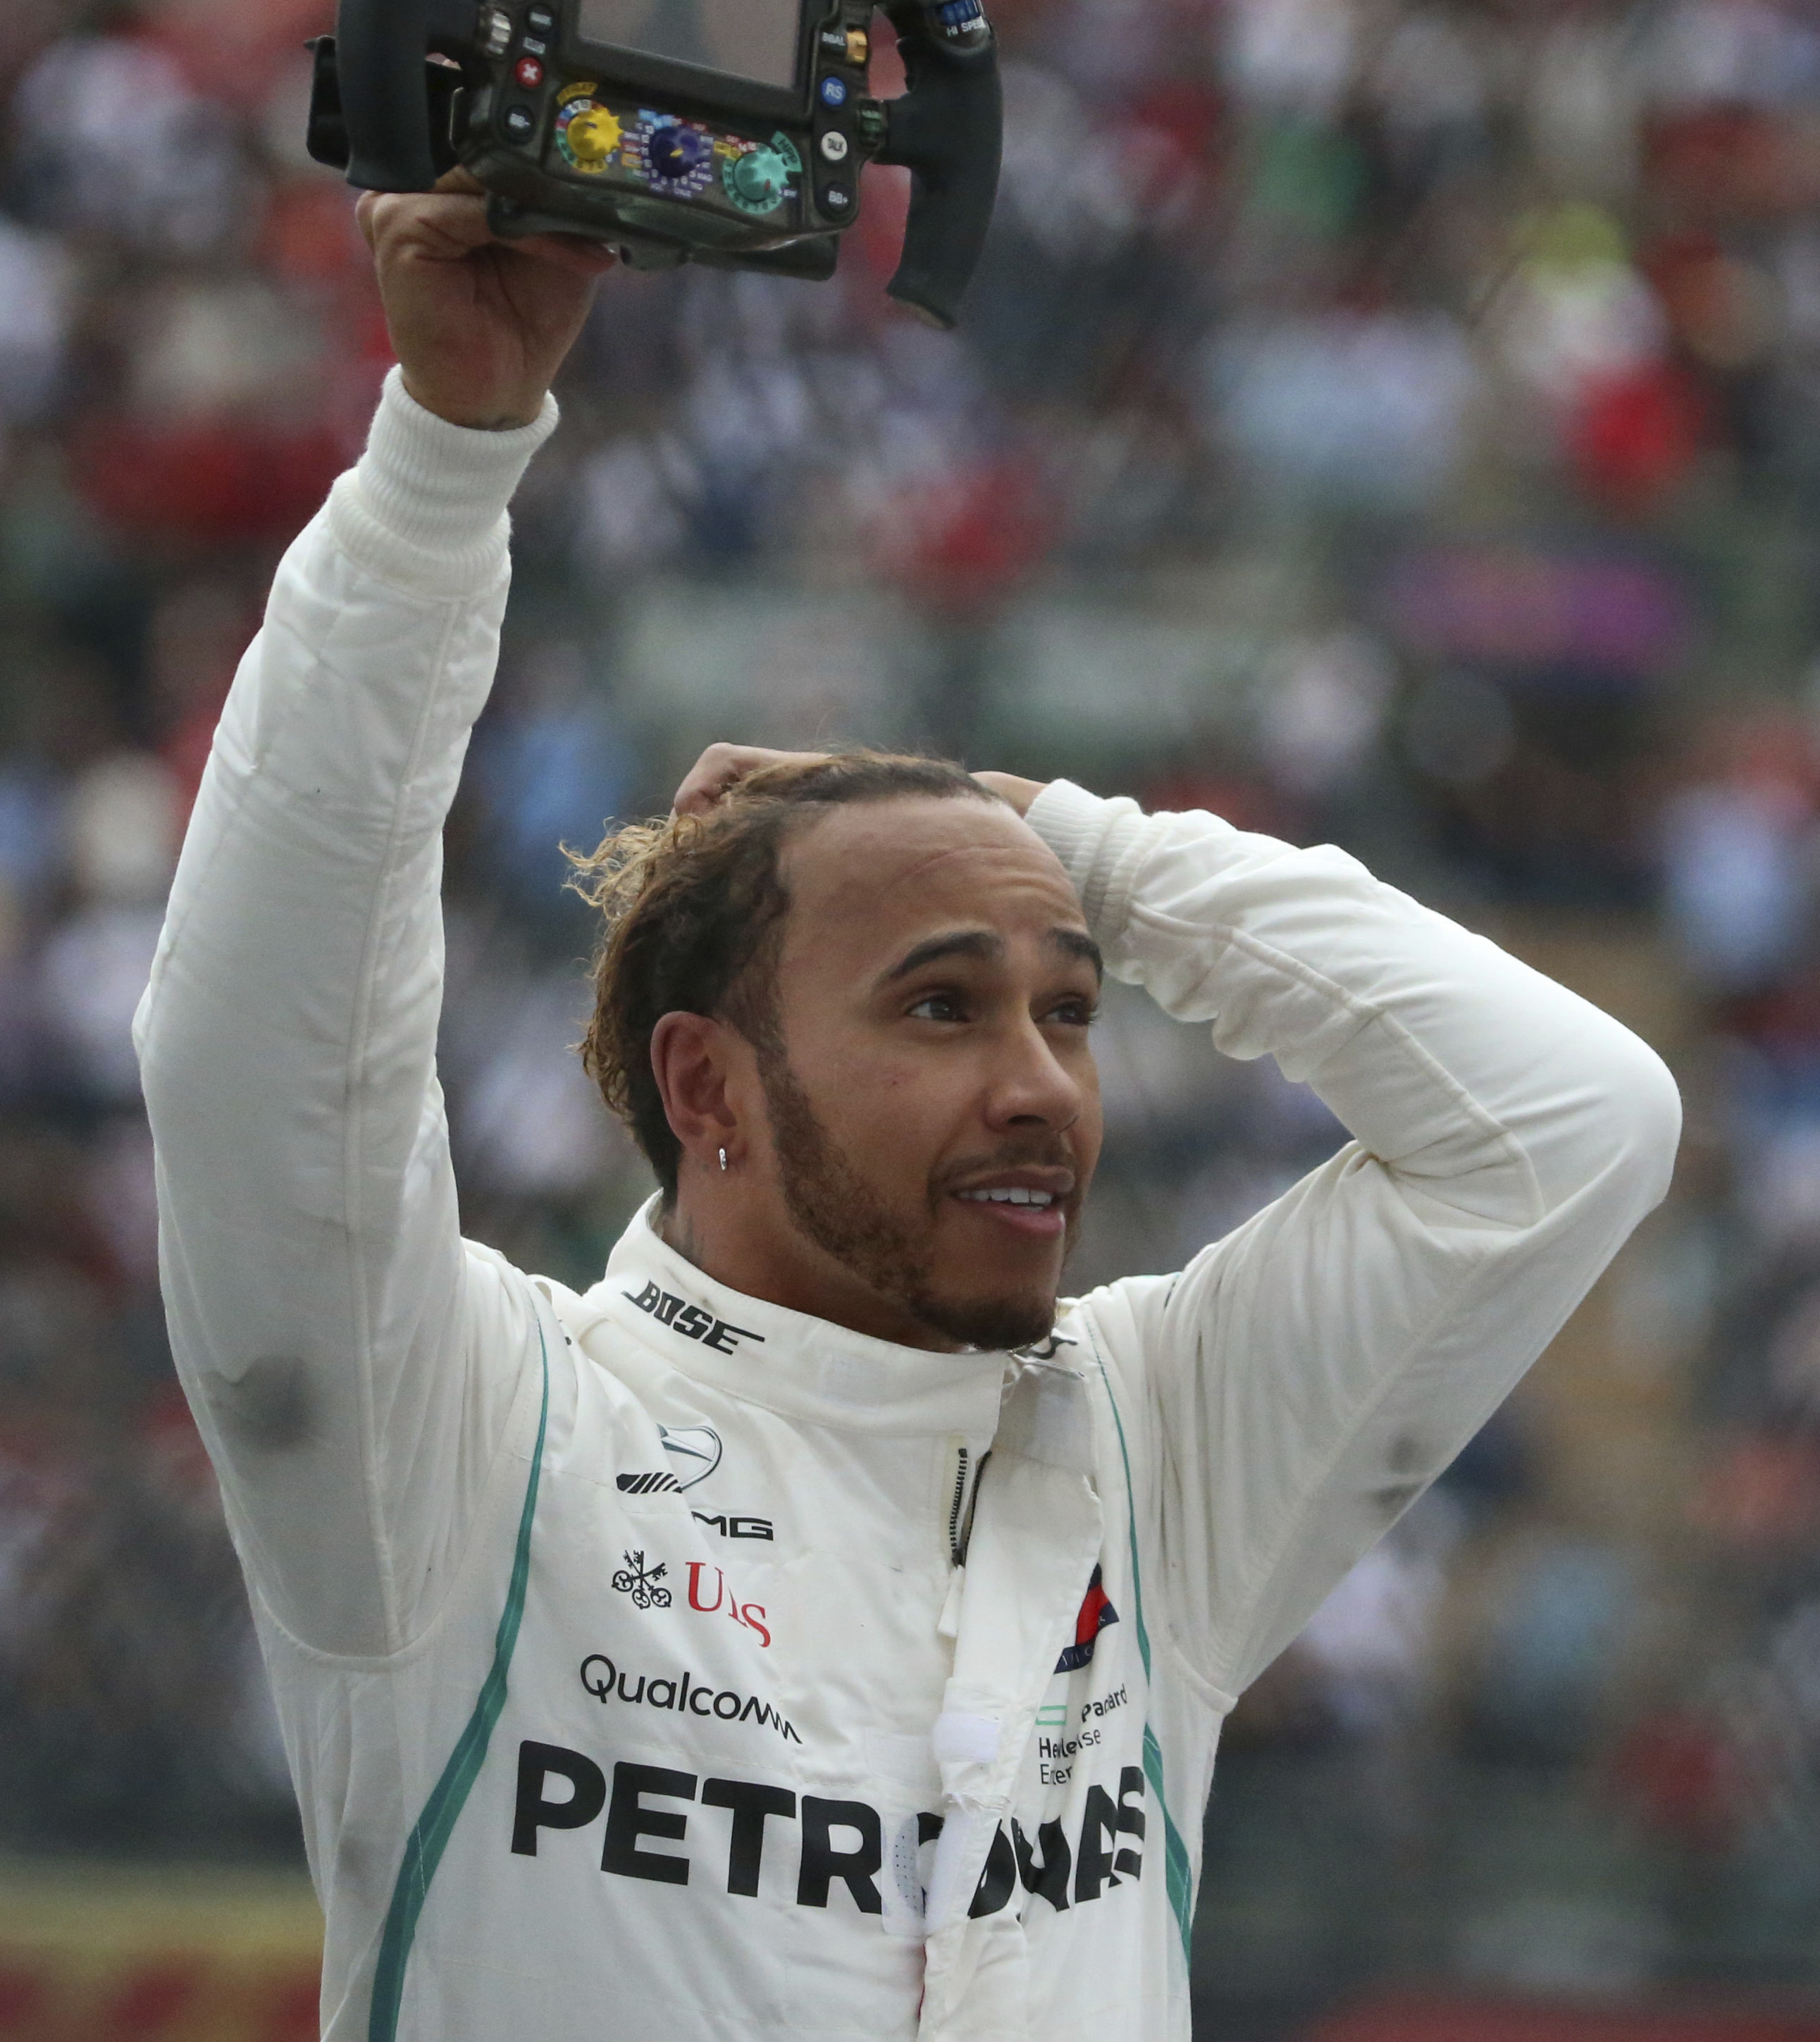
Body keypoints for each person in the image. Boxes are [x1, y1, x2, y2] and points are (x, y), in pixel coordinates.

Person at [136, 176, 1681, 2042]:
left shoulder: (1152, 1449)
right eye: (941, 1004)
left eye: (1071, 1008)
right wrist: (441, 472)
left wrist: (1069, 847)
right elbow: (264, 1066)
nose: (1040, 1083)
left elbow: (1574, 1118)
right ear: (703, 1079)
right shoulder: (467, 1440)